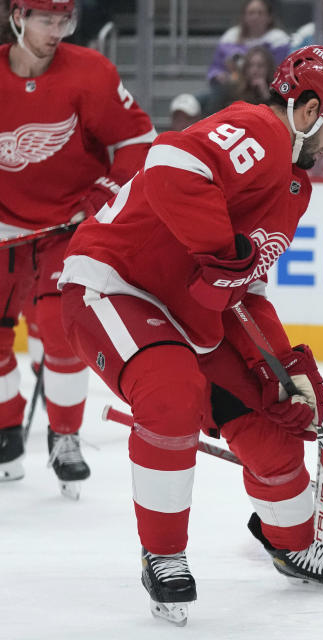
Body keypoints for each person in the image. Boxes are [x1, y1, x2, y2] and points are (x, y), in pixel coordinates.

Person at [56, 45, 323, 625]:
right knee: (172, 395)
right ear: (304, 109)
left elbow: (243, 286)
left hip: (190, 314)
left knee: (269, 423)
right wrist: (221, 249)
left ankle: (293, 544)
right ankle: (164, 555)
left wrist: (284, 366)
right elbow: (172, 165)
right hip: (114, 285)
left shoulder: (293, 186)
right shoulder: (257, 128)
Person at [0, 0, 156, 494]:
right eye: (47, 20)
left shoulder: (90, 72)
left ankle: (65, 436)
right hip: (4, 231)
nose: (57, 31)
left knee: (61, 331)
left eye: (64, 20)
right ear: (18, 17)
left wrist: (101, 196)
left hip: (68, 228)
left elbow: (140, 140)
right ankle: (6, 432)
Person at [207, 0, 290, 89]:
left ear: (269, 17)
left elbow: (280, 73)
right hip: (231, 87)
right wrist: (218, 75)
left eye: (260, 13)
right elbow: (215, 67)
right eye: (251, 13)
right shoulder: (230, 39)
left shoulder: (279, 41)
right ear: (244, 16)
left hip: (266, 89)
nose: (255, 17)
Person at [211, 45, 277, 112]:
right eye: (250, 65)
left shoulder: (276, 92)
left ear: (269, 68)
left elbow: (278, 116)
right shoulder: (231, 89)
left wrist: (265, 95)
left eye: (260, 66)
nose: (254, 70)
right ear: (245, 68)